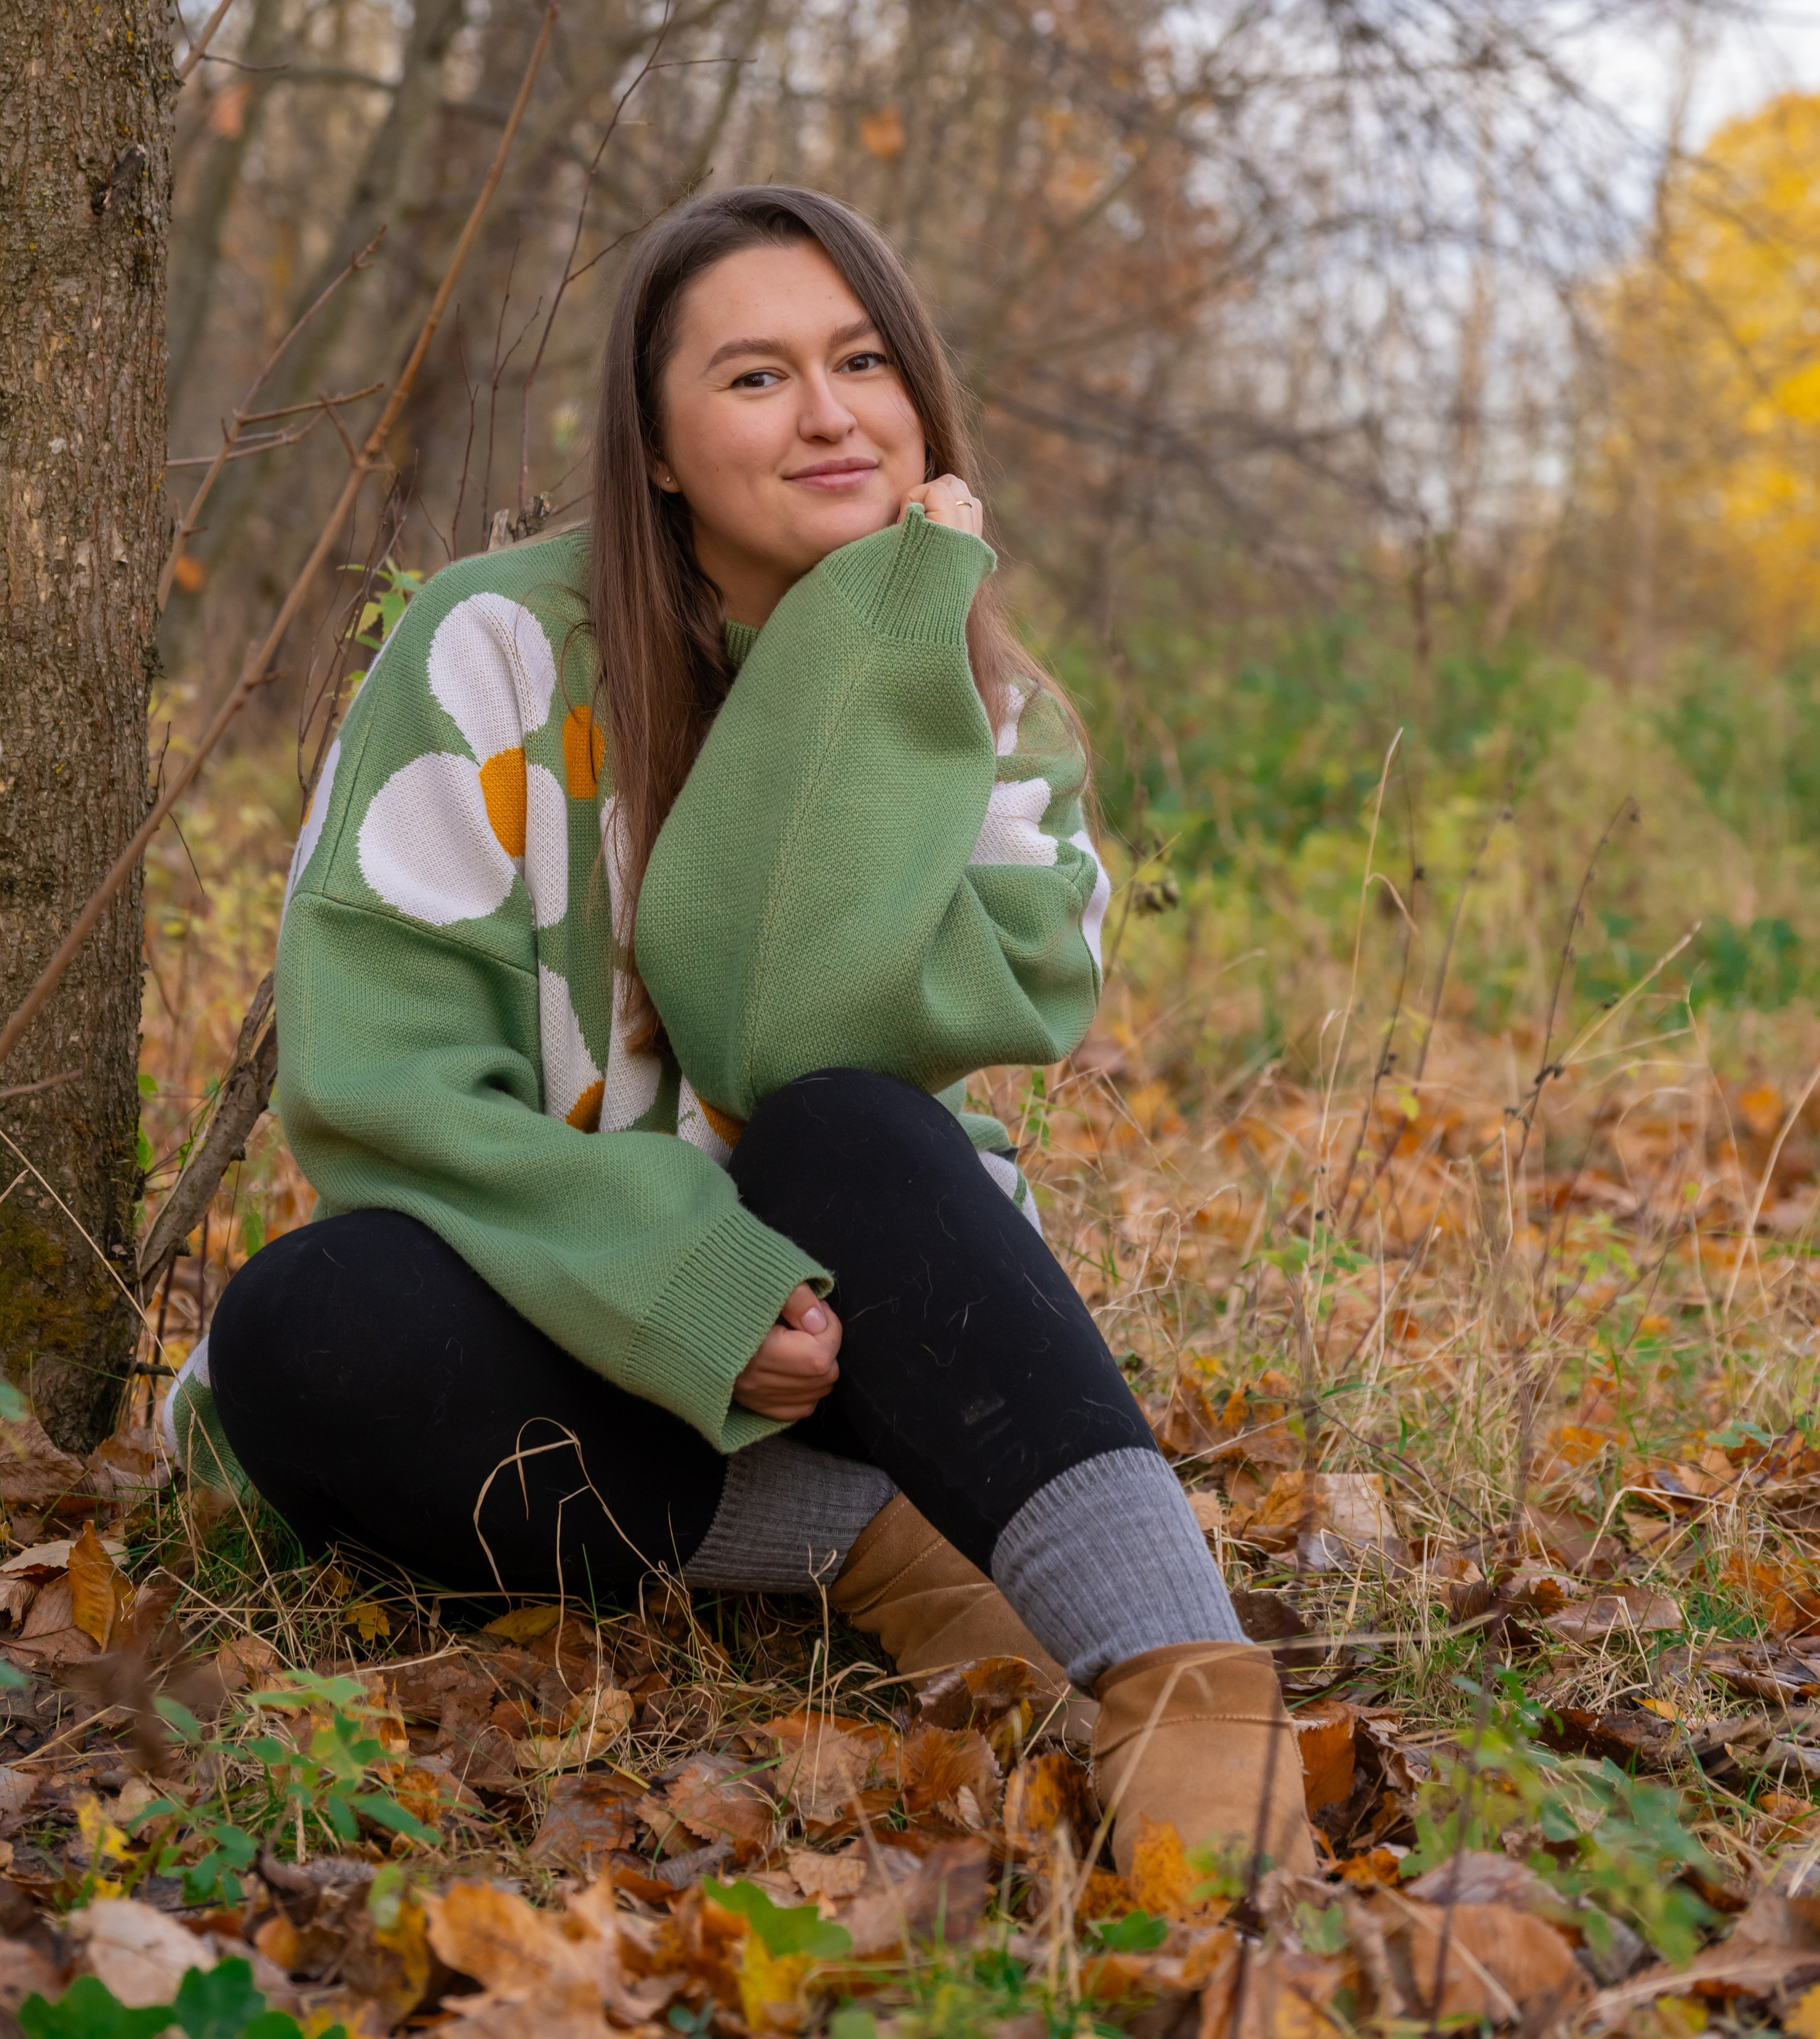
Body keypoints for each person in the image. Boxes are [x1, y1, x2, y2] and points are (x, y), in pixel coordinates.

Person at [182, 186, 1312, 1882]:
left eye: (861, 360)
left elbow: (775, 1026)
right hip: (556, 1323)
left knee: (848, 1122)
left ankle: (1187, 1687)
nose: (831, 412)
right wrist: (686, 1292)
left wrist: (871, 639)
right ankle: (885, 1558)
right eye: (755, 377)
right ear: (651, 445)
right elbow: (377, 1087)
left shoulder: (990, 719)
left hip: (867, 1341)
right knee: (302, 1327)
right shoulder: (491, 653)